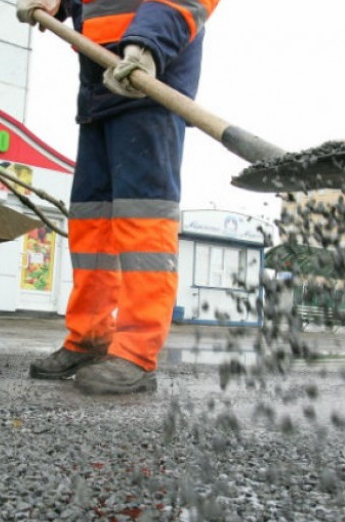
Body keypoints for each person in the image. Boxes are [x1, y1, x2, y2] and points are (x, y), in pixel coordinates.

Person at [16, 0, 219, 394]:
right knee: (91, 225)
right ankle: (90, 337)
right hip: (98, 92)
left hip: (148, 84)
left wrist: (147, 44)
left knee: (143, 225)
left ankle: (137, 354)